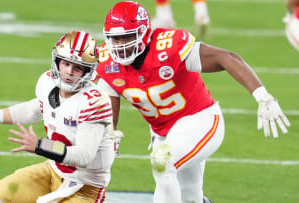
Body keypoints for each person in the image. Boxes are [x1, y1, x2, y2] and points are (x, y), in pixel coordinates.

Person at [95, 1, 291, 203]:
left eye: (126, 37)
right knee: (190, 197)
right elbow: (110, 97)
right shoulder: (107, 62)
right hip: (163, 133)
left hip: (201, 120)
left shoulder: (169, 47)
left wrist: (261, 95)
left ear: (144, 32)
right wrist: (110, 133)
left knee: (162, 161)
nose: (120, 45)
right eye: (114, 39)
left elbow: (226, 57)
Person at [0, 31, 115, 203]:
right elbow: (34, 109)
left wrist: (40, 145)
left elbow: (83, 156)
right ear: (57, 61)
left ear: (88, 72)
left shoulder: (95, 101)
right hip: (53, 172)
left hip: (85, 188)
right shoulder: (47, 82)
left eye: (77, 68)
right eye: (65, 64)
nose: (69, 72)